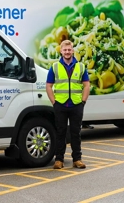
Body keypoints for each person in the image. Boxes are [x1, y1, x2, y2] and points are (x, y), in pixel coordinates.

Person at [46, 40, 90, 169]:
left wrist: (83, 101)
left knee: (76, 133)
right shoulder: (55, 67)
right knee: (61, 133)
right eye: (65, 50)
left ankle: (77, 159)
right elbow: (48, 86)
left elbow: (86, 85)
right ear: (61, 51)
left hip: (76, 105)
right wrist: (54, 102)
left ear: (73, 51)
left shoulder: (81, 66)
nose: (67, 52)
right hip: (60, 104)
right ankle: (59, 160)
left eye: (69, 50)